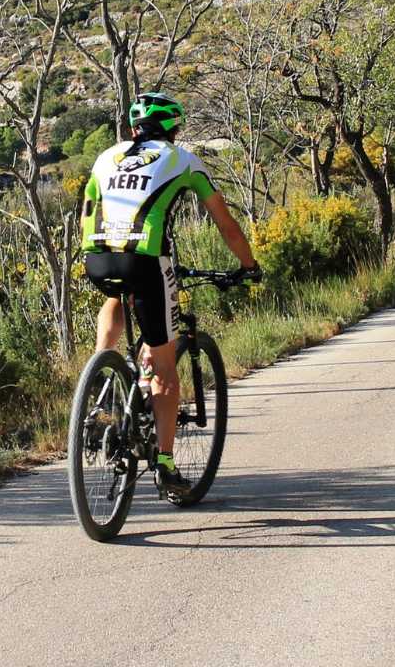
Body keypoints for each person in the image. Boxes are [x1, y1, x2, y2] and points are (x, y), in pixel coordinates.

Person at [80, 91, 260, 499]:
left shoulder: (105, 156)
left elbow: (90, 209)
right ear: (174, 128)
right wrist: (249, 266)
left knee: (117, 298)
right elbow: (226, 225)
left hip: (98, 259)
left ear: (133, 129)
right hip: (145, 262)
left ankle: (101, 374)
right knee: (164, 366)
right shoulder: (182, 160)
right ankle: (164, 464)